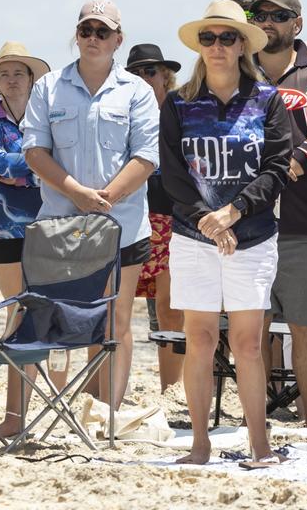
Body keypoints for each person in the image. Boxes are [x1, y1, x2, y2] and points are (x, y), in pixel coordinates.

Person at [160, 0, 290, 464]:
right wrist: (207, 221)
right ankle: (199, 444)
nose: (217, 46)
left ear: (243, 46)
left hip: (251, 236)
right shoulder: (178, 102)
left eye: (228, 37)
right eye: (209, 38)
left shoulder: (267, 100)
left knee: (247, 344)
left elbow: (277, 168)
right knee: (199, 339)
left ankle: (260, 445)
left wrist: (232, 213)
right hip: (194, 236)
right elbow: (172, 173)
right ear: (200, 45)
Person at [22, 0, 160, 411]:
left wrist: (105, 199)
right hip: (61, 226)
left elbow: (147, 157)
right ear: (76, 36)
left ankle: (108, 411)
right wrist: (77, 194)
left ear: (118, 39)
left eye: (103, 32)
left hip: (124, 226)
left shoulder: (137, 91)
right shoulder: (48, 87)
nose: (93, 38)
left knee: (116, 320)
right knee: (61, 316)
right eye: (86, 30)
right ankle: (64, 405)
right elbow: (34, 150)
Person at [249, 0, 307, 429]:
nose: (268, 22)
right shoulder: (236, 70)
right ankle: (253, 417)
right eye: (260, 14)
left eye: (278, 15)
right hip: (246, 220)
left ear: (297, 23)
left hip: (304, 218)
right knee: (252, 328)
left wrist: (289, 164)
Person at [0, 40, 49, 438]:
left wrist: (21, 169)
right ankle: (14, 417)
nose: (11, 78)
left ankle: (28, 415)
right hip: (1, 228)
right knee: (18, 314)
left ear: (31, 77)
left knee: (42, 313)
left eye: (18, 72)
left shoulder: (49, 115)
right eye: (4, 73)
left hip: (47, 224)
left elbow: (51, 162)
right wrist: (33, 164)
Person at [124, 42, 185, 392]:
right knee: (118, 307)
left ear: (165, 76)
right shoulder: (123, 111)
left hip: (173, 215)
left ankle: (171, 388)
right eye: (135, 72)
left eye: (150, 71)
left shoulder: (180, 110)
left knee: (170, 307)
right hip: (134, 212)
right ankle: (110, 386)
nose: (144, 78)